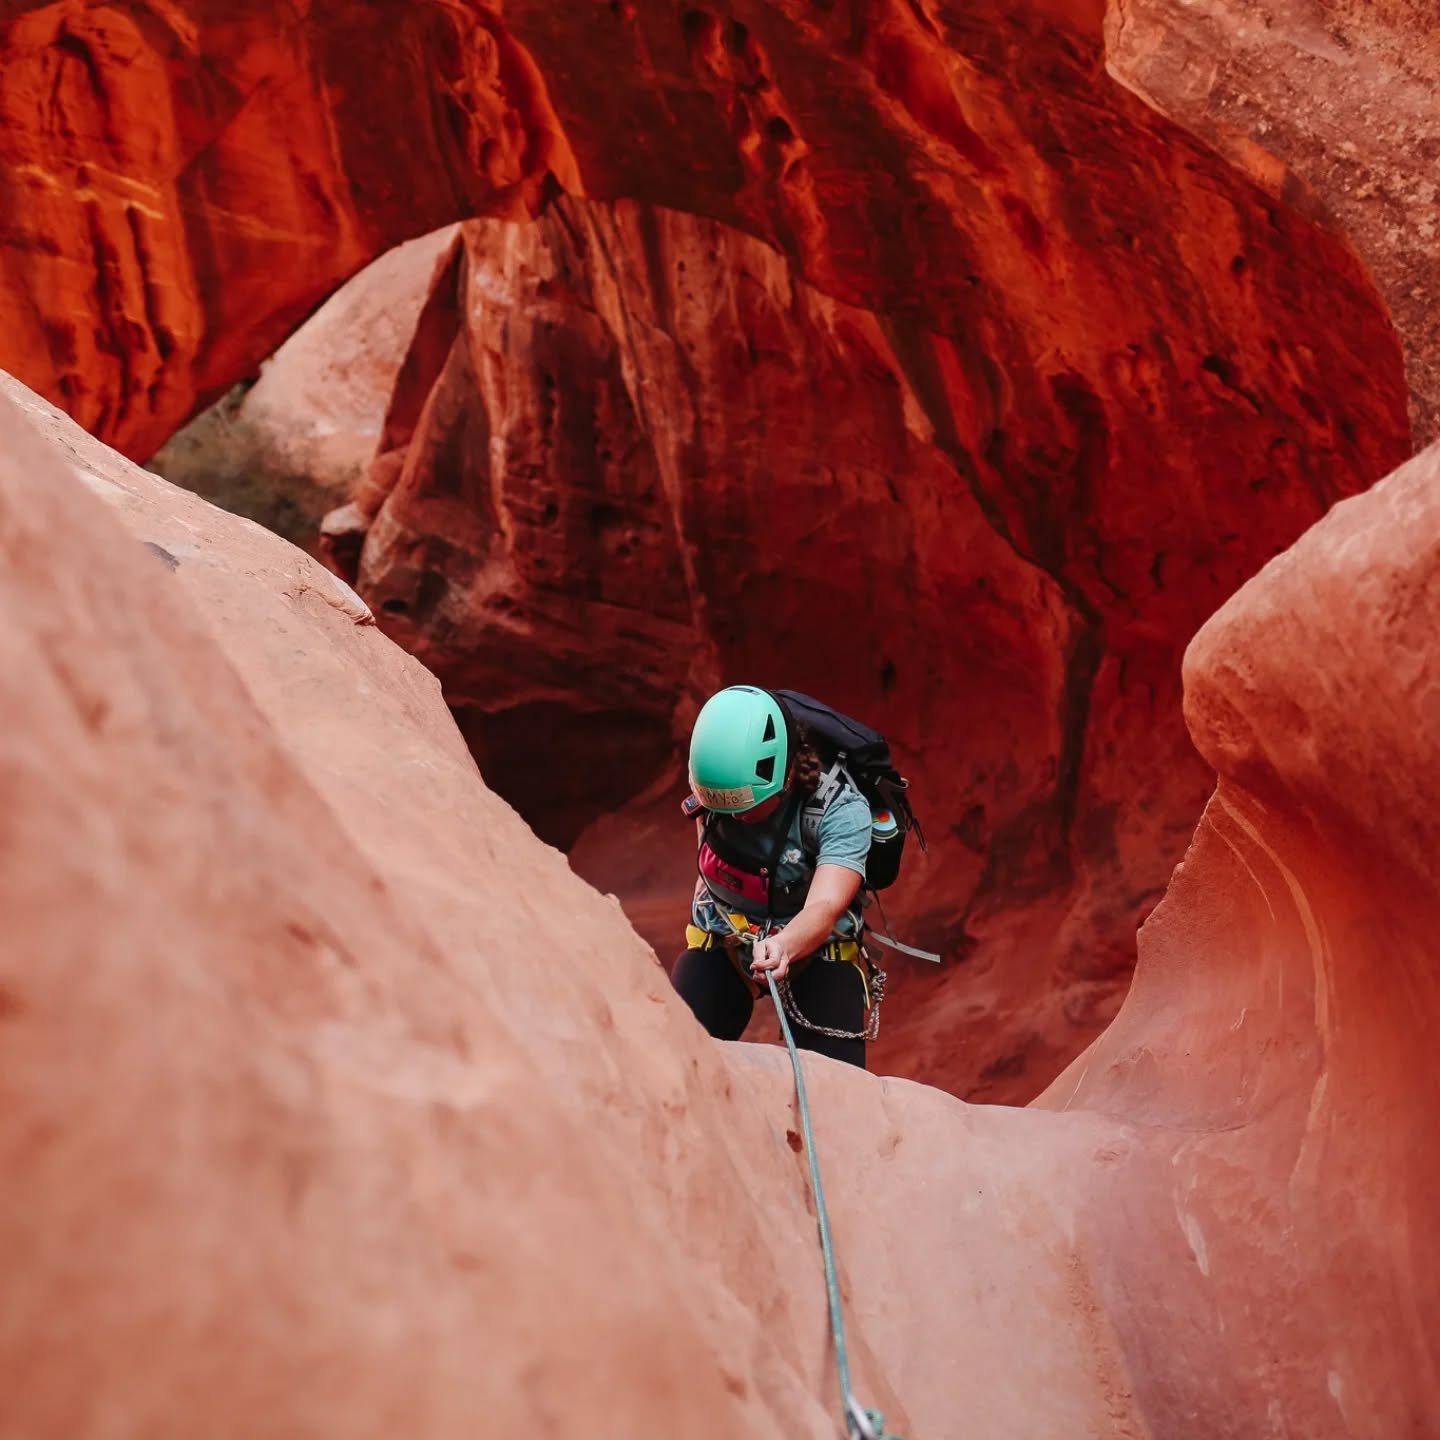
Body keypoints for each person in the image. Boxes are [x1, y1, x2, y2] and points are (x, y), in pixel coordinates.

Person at [671, 685, 875, 1069]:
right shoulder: (715, 786)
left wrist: (785, 945)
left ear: (781, 778)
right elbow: (709, 852)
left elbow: (826, 903)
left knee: (837, 1094)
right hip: (723, 940)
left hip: (817, 952)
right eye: (720, 804)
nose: (732, 817)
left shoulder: (840, 810)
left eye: (744, 806)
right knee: (675, 1061)